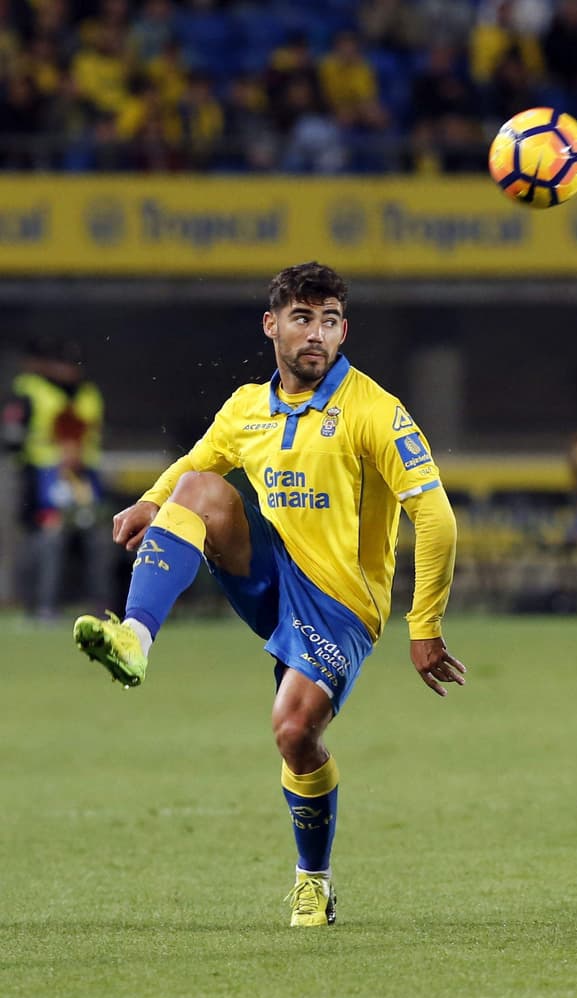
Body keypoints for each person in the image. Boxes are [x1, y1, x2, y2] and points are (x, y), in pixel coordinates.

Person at [72, 262, 464, 928]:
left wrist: (423, 625)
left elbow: (436, 517)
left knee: (294, 734)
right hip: (271, 571)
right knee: (198, 491)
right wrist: (148, 501)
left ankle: (314, 879)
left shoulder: (374, 411)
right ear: (272, 325)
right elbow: (198, 462)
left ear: (345, 331)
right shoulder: (247, 407)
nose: (318, 332)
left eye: (331, 319)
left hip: (340, 605)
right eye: (304, 317)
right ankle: (134, 640)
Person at [2, 337, 109, 620]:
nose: (68, 370)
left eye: (73, 365)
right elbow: (13, 436)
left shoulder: (88, 394)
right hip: (40, 478)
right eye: (62, 364)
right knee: (44, 540)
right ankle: (39, 605)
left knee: (98, 538)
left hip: (83, 479)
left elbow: (93, 434)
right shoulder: (32, 389)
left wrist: (77, 457)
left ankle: (101, 606)